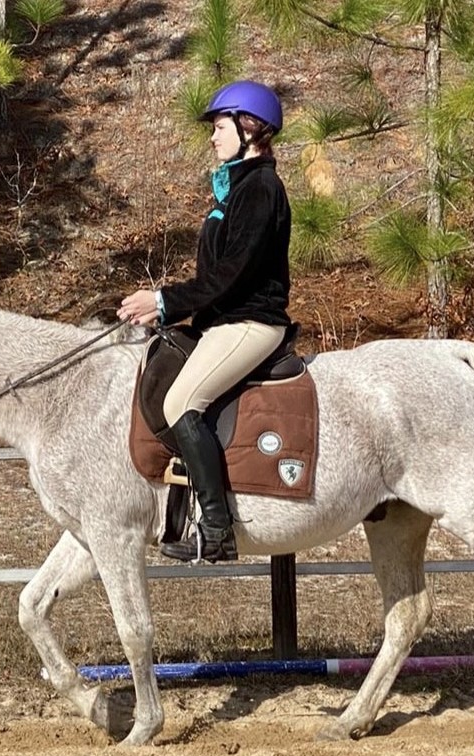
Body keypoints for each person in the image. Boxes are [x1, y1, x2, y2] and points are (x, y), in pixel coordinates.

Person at [118, 80, 292, 563]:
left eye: (219, 127)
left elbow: (230, 274)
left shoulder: (261, 188)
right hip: (223, 322)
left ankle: (217, 528)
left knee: (182, 401)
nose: (213, 138)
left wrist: (164, 301)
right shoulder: (235, 187)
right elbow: (214, 276)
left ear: (250, 128)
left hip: (252, 323)